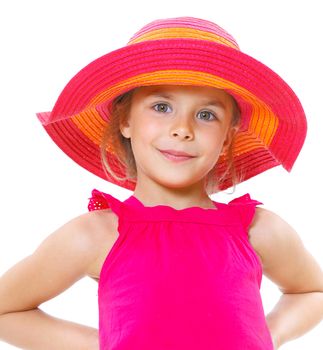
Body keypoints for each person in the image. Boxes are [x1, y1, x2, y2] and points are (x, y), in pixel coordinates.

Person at [0, 16, 323, 350]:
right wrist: (102, 343)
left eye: (206, 115)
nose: (182, 129)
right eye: (161, 106)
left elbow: (312, 291)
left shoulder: (257, 230)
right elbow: (6, 309)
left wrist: (270, 333)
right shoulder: (97, 234)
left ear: (227, 138)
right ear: (124, 120)